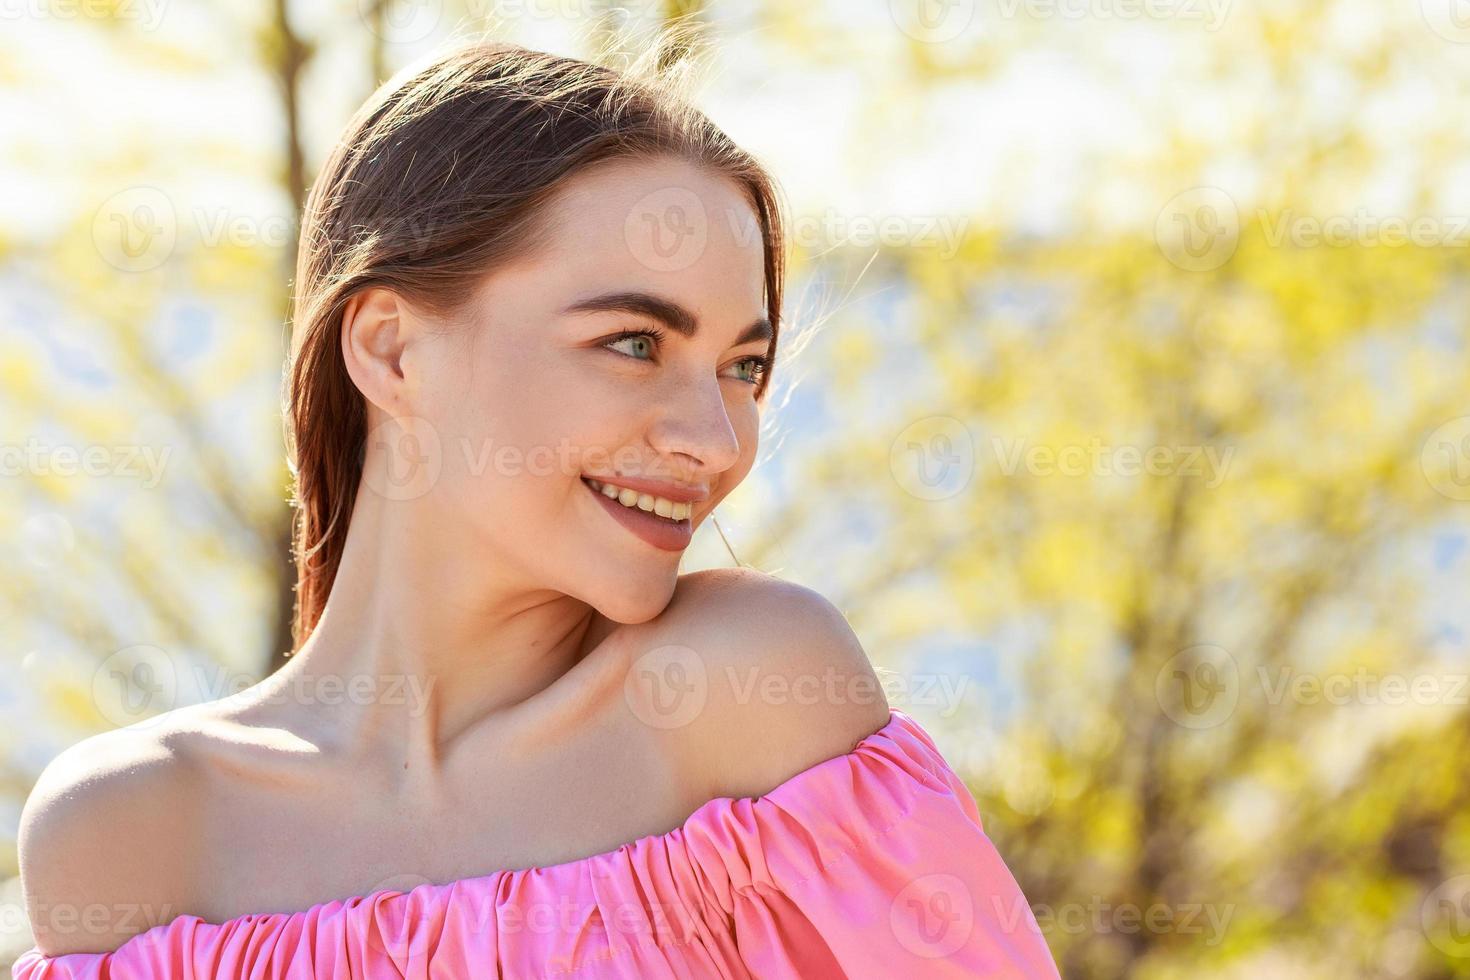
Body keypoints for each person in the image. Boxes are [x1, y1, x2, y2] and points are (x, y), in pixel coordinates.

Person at [13, 34, 1060, 979]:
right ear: (391, 347)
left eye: (743, 364)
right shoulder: (134, 832)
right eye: (636, 343)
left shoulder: (745, 693)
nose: (718, 438)